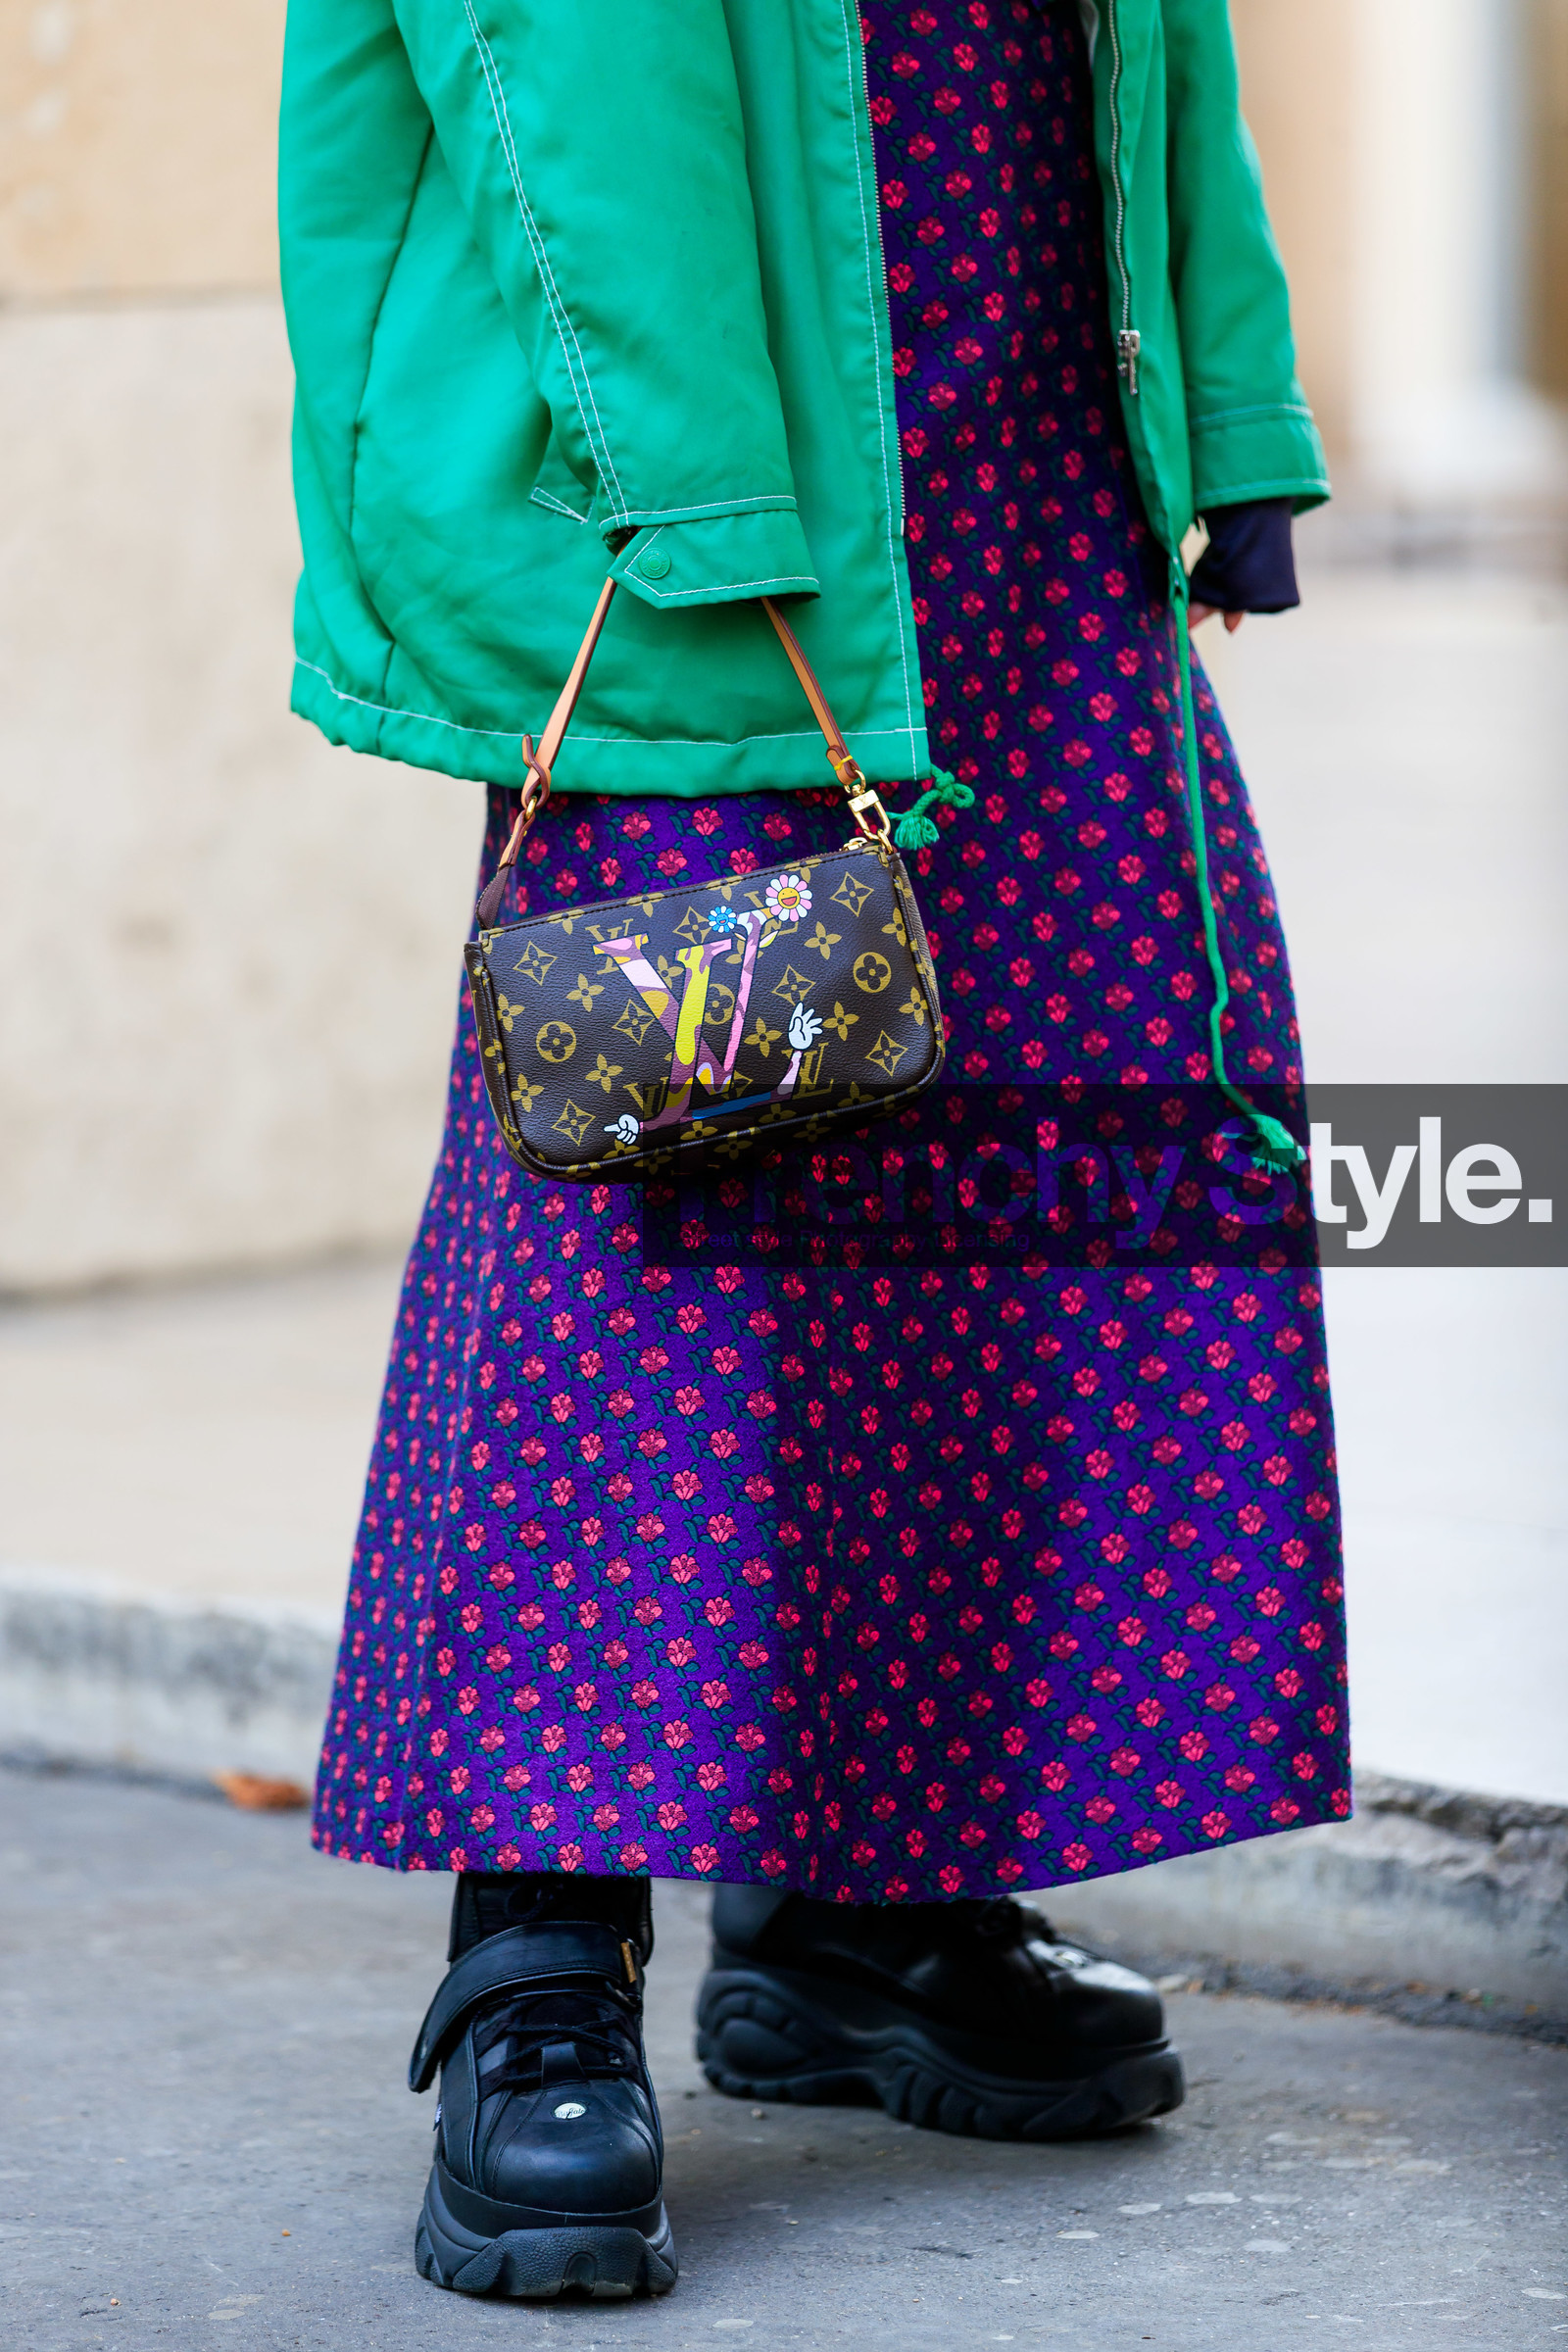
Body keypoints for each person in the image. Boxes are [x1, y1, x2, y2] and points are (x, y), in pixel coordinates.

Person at [279, 0, 1348, 2303]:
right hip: (680, 457)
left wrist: (1226, 384)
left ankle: (862, 1910)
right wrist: (679, 478)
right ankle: (536, 1958)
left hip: (1034, 407)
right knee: (667, 1191)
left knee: (1029, 1143)